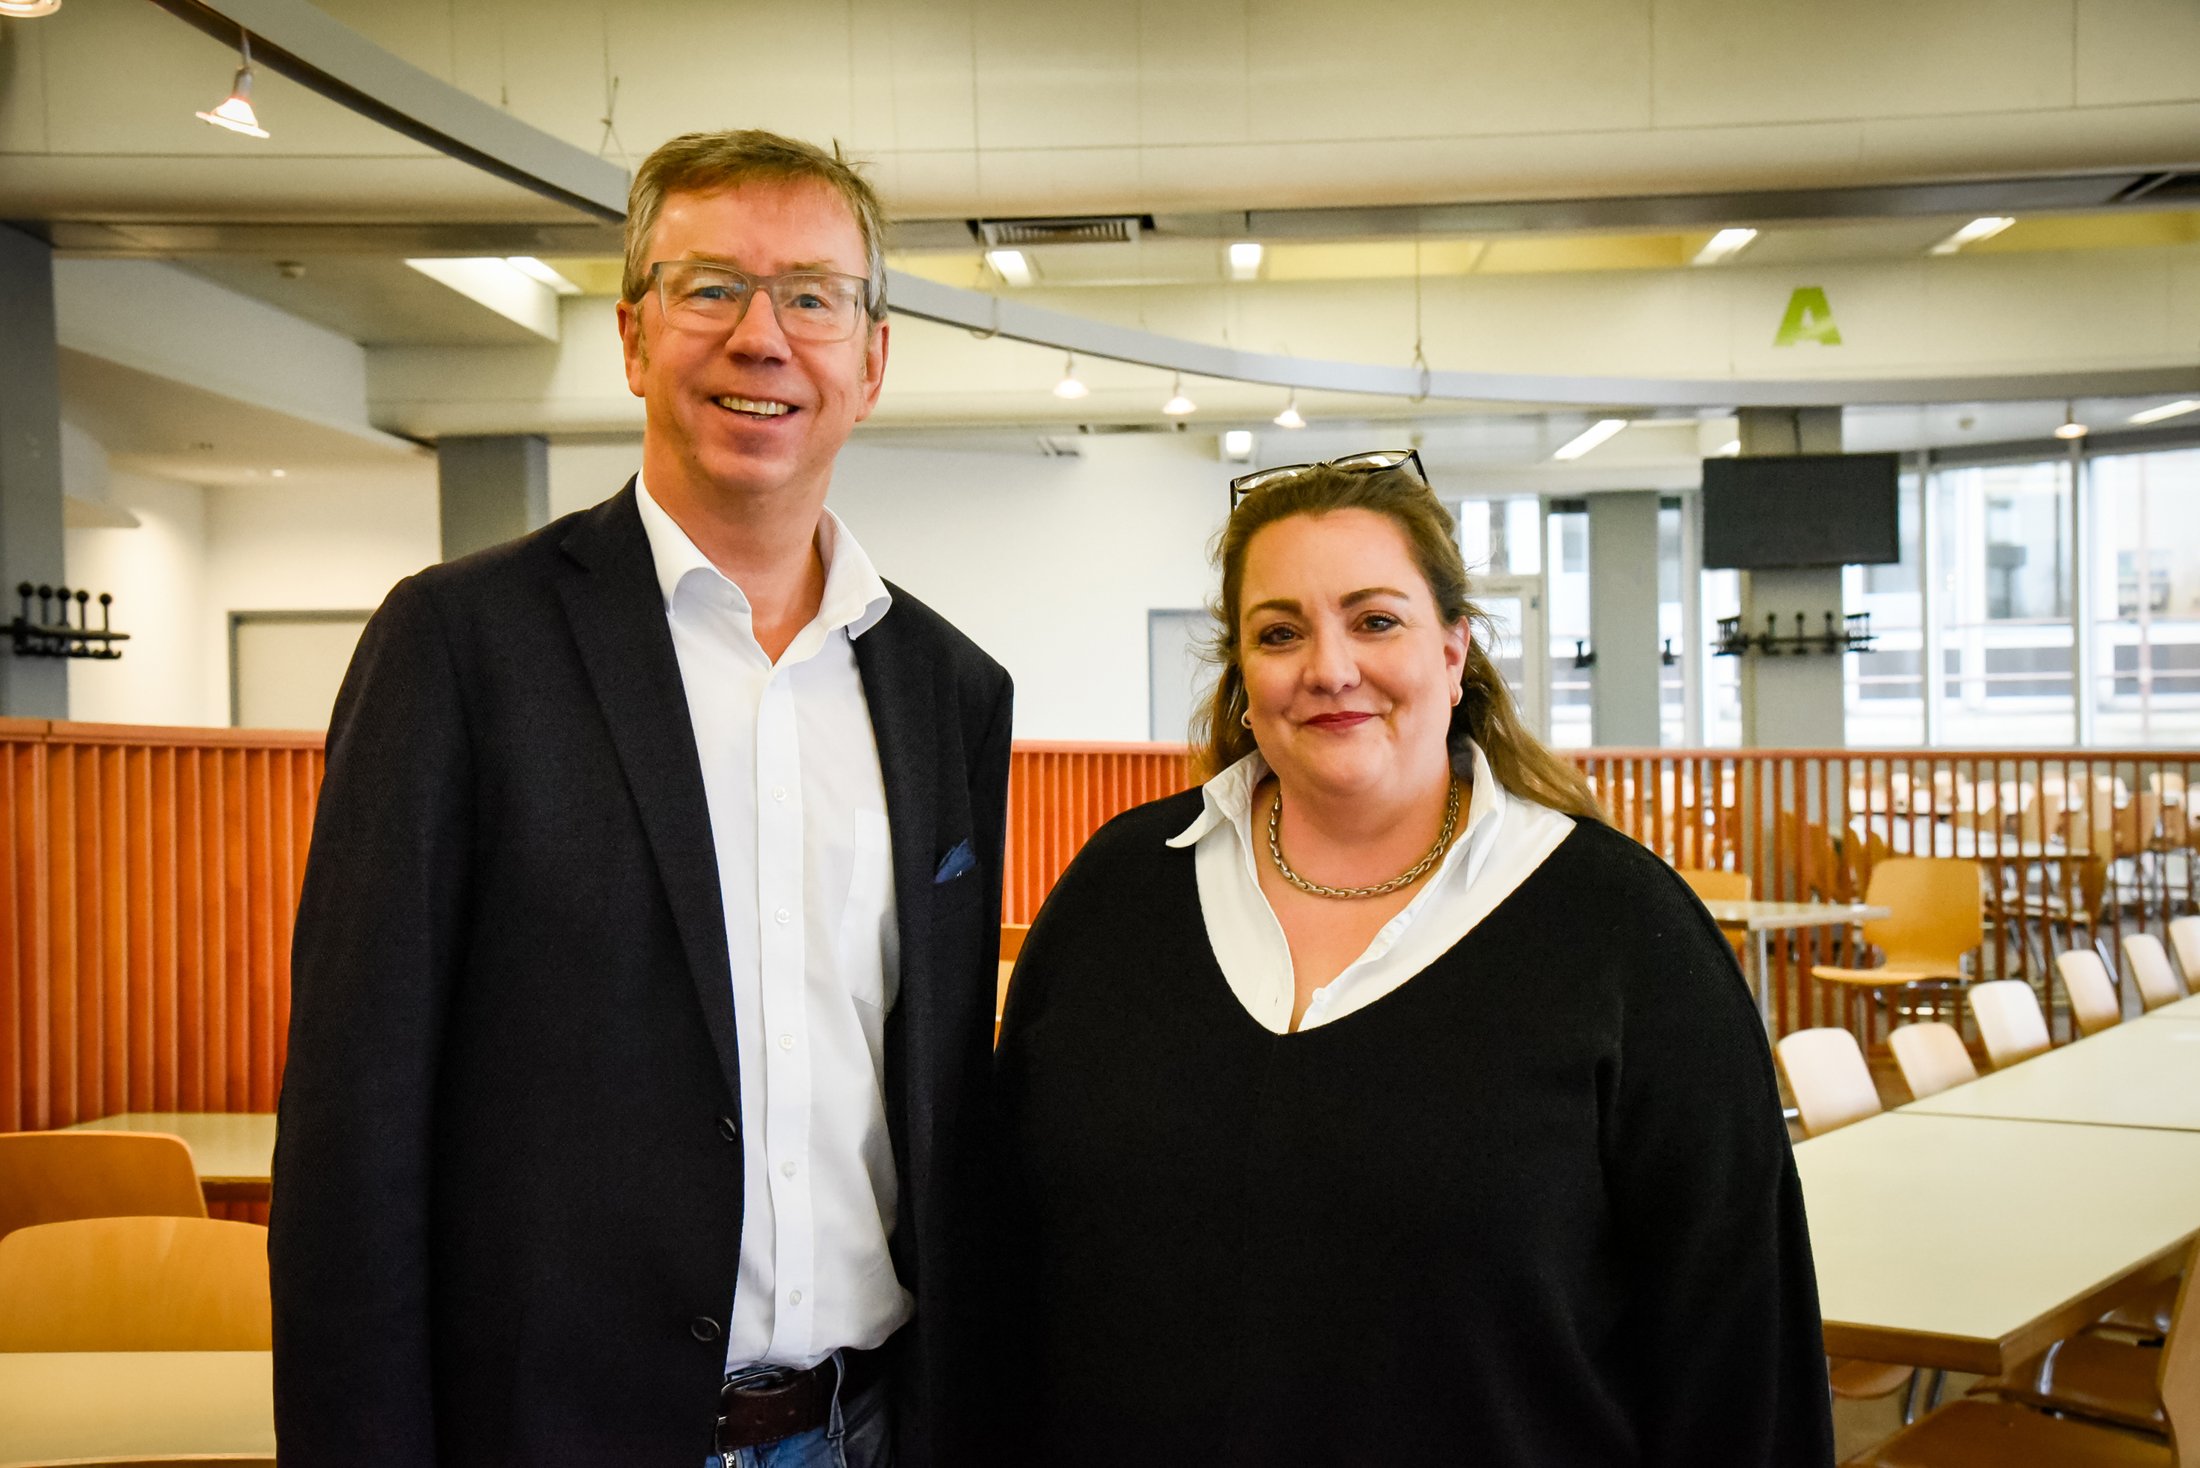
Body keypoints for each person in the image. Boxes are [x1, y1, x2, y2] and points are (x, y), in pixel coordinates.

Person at [269, 130, 1012, 1468]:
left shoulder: (951, 691)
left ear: (873, 358)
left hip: (870, 1430)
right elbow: (352, 1130)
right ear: (630, 336)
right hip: (556, 1434)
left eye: (813, 295)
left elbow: (942, 1112)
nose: (762, 336)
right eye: (709, 285)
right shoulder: (459, 648)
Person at [989, 453, 1834, 1466]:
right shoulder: (1116, 896)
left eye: (1375, 619)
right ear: (1242, 676)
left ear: (1453, 649)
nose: (1329, 667)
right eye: (1279, 632)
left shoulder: (1625, 937)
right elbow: (1004, 1265)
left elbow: (1738, 1359)